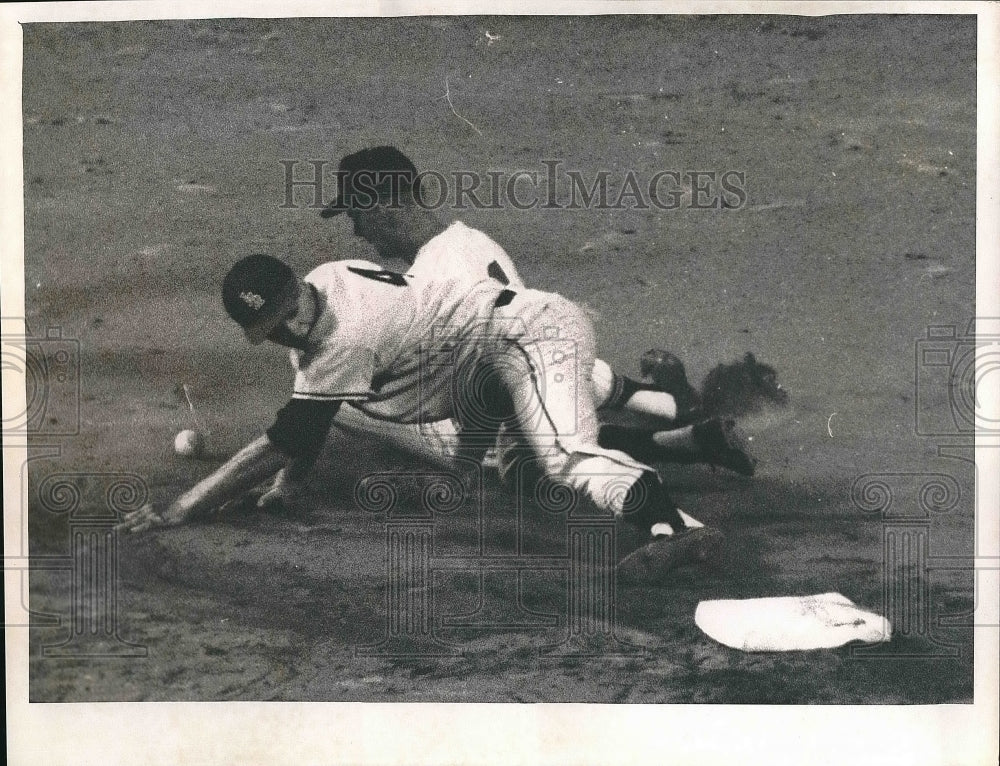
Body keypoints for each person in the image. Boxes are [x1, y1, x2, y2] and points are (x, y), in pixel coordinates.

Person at [118, 169, 724, 571]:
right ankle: (675, 423)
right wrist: (290, 485)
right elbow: (312, 405)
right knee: (526, 466)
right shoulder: (329, 279)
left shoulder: (350, 335)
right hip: (500, 357)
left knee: (565, 455)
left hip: (528, 338)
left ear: (298, 290)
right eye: (271, 328)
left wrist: (184, 507)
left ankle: (670, 529)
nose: (287, 330)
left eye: (287, 314)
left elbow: (291, 433)